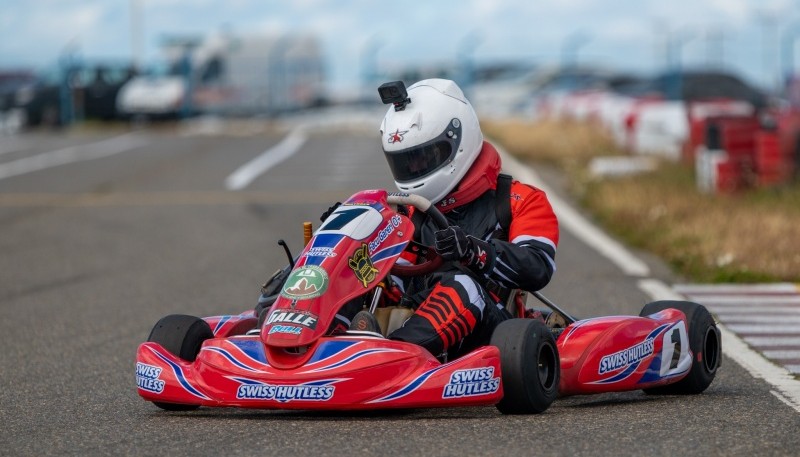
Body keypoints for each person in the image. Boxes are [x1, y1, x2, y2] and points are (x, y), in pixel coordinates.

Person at [339, 78, 560, 359]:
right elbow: (395, 277)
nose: (415, 168)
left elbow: (537, 267)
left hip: (493, 330)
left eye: (424, 157)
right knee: (353, 273)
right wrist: (348, 244)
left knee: (464, 285)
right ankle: (303, 346)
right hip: (420, 316)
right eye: (407, 161)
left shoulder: (518, 200)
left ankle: (390, 358)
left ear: (458, 140)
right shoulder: (411, 212)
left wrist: (474, 251)